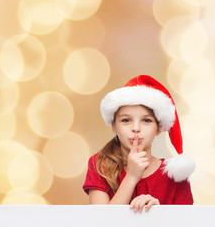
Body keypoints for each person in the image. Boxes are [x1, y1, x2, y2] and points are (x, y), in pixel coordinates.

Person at [83, 75, 195, 212]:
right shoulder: (99, 165)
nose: (136, 128)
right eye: (126, 120)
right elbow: (100, 223)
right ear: (114, 126)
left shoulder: (175, 176)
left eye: (146, 120)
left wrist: (158, 214)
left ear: (158, 128)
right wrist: (131, 177)